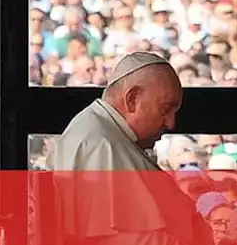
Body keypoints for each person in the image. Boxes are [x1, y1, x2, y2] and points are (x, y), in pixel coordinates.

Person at [44, 51, 208, 245]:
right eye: (165, 109)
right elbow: (127, 239)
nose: (171, 123)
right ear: (132, 99)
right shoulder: (100, 145)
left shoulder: (110, 134)